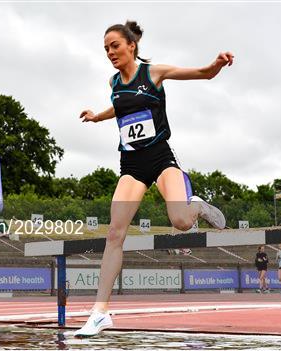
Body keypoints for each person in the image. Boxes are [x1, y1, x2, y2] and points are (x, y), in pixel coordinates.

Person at [74, 21, 233, 337]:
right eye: (105, 48)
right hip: (131, 165)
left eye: (115, 46)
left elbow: (202, 74)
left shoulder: (154, 73)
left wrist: (215, 64)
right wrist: (96, 116)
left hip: (160, 158)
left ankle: (195, 205)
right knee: (114, 234)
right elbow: (119, 108)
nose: (110, 52)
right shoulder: (113, 82)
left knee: (180, 222)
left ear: (131, 45)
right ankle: (100, 312)